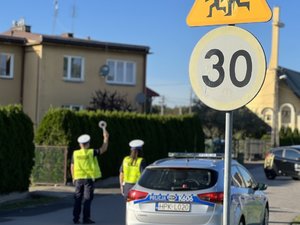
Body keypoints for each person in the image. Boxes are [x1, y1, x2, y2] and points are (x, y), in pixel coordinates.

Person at [70, 130, 109, 224]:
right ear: (88, 144)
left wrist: (73, 177)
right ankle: (86, 219)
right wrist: (106, 138)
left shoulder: (75, 153)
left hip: (78, 179)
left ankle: (76, 219)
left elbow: (72, 166)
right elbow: (103, 149)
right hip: (88, 179)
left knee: (78, 199)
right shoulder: (91, 152)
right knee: (87, 199)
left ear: (80, 144)